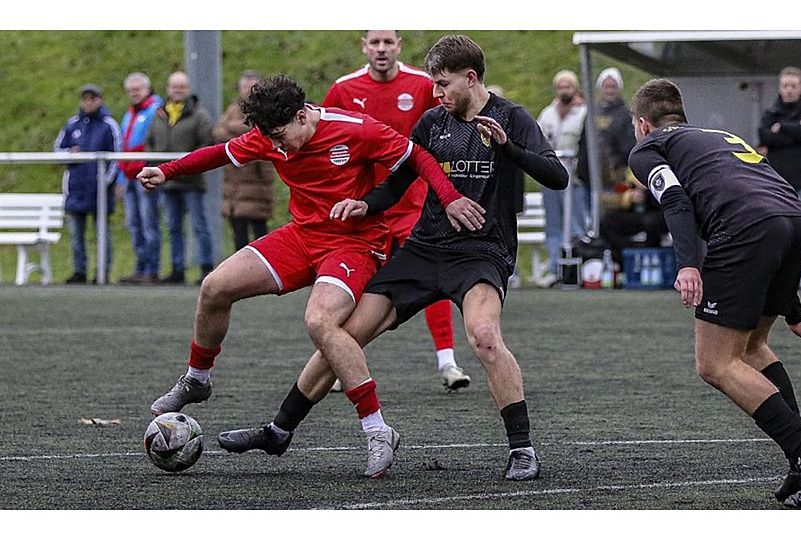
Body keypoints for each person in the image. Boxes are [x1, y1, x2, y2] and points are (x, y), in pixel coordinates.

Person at [214, 35, 568, 482]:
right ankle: (279, 430)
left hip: (480, 252)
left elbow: (557, 176)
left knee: (483, 336)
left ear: (471, 78)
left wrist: (509, 150)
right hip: (423, 250)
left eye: (442, 85)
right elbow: (398, 181)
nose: (436, 94)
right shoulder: (432, 122)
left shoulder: (511, 117)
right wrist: (368, 204)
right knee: (342, 335)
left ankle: (522, 449)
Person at [141, 74, 483, 478]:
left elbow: (418, 157)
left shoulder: (356, 129)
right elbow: (221, 153)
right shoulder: (270, 137)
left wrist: (451, 197)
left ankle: (376, 429)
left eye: (282, 137)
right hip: (302, 236)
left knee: (320, 320)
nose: (278, 147)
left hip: (354, 243)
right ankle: (197, 379)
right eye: (270, 140)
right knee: (215, 287)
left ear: (302, 115)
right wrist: (169, 171)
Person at [628, 79, 801, 508]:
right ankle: (800, 462)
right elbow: (768, 205)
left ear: (642, 124)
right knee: (752, 347)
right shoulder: (717, 137)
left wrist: (688, 263)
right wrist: (794, 313)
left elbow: (674, 198)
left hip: (744, 230)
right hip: (792, 221)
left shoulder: (647, 147)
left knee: (714, 363)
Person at [320, 30, 470, 391]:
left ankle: (448, 362)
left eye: (388, 42)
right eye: (375, 43)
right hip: (365, 207)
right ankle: (344, 359)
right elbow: (323, 134)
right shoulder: (343, 89)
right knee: (358, 285)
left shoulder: (421, 85)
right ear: (364, 47)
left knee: (431, 281)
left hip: (415, 206)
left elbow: (446, 132)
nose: (382, 49)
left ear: (399, 46)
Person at [146, 71, 215, 285]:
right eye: (174, 87)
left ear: (188, 89)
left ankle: (206, 268)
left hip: (191, 181)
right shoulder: (159, 115)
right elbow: (149, 142)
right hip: (168, 182)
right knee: (173, 227)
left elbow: (207, 144)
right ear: (167, 89)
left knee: (199, 226)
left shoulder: (200, 115)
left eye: (182, 87)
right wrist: (156, 167)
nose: (178, 91)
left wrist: (187, 166)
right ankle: (177, 268)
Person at [759, 67, 801, 291]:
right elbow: (764, 136)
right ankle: (776, 279)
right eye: (786, 85)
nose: (790, 90)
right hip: (777, 183)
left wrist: (782, 129)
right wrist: (795, 132)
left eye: (794, 85)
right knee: (775, 230)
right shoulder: (769, 114)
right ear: (780, 88)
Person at [54, 84, 122, 283]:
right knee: (76, 235)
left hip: (99, 192)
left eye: (93, 98)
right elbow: (57, 149)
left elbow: (117, 156)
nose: (89, 102)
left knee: (102, 234)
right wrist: (69, 154)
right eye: (85, 99)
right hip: (76, 189)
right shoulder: (72, 124)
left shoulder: (108, 125)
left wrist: (104, 183)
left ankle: (103, 272)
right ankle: (79, 271)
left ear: (100, 100)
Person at [536, 69, 589, 288]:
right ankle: (558, 270)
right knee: (554, 225)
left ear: (575, 87)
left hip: (574, 178)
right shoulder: (547, 113)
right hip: (550, 175)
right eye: (560, 86)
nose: (564, 90)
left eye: (568, 86)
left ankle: (580, 268)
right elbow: (537, 139)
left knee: (576, 224)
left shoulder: (584, 113)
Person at [213, 70, 276, 252]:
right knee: (238, 234)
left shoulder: (266, 109)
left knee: (260, 233)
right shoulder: (234, 108)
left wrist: (232, 129)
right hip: (234, 183)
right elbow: (218, 132)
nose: (247, 90)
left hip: (257, 181)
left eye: (251, 86)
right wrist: (242, 130)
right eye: (244, 86)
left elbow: (261, 131)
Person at [117, 72, 164, 285]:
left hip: (144, 174)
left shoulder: (155, 110)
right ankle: (140, 267)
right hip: (128, 175)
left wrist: (151, 171)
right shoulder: (129, 114)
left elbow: (155, 144)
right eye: (131, 90)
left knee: (148, 223)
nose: (134, 93)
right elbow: (122, 147)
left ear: (147, 88)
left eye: (138, 89)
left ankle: (151, 269)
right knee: (134, 224)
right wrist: (119, 179)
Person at [576, 67, 635, 213]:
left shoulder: (625, 114)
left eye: (613, 87)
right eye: (606, 86)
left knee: (609, 214)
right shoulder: (591, 112)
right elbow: (583, 141)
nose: (609, 90)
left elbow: (628, 144)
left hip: (613, 177)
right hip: (589, 175)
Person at [597, 180, 666, 267]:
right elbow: (605, 198)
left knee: (652, 222)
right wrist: (628, 196)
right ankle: (625, 259)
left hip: (657, 209)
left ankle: (651, 260)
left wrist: (649, 189)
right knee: (607, 222)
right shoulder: (621, 173)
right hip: (633, 210)